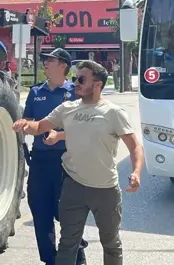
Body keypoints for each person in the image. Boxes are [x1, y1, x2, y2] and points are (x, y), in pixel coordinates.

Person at [12, 60, 144, 265]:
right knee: (68, 243)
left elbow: (135, 146)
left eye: (81, 79)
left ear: (98, 84)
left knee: (110, 243)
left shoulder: (113, 113)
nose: (76, 83)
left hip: (105, 189)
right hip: (73, 186)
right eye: (75, 79)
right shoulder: (67, 108)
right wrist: (25, 125)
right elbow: (39, 127)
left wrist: (136, 172)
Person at [22, 48, 87, 265]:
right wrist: (24, 126)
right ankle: (50, 260)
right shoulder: (35, 92)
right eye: (45, 60)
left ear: (63, 66)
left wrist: (59, 136)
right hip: (40, 160)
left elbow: (87, 127)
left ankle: (77, 257)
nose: (45, 63)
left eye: (50, 60)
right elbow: (28, 122)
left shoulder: (76, 92)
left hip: (67, 161)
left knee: (67, 214)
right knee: (40, 211)